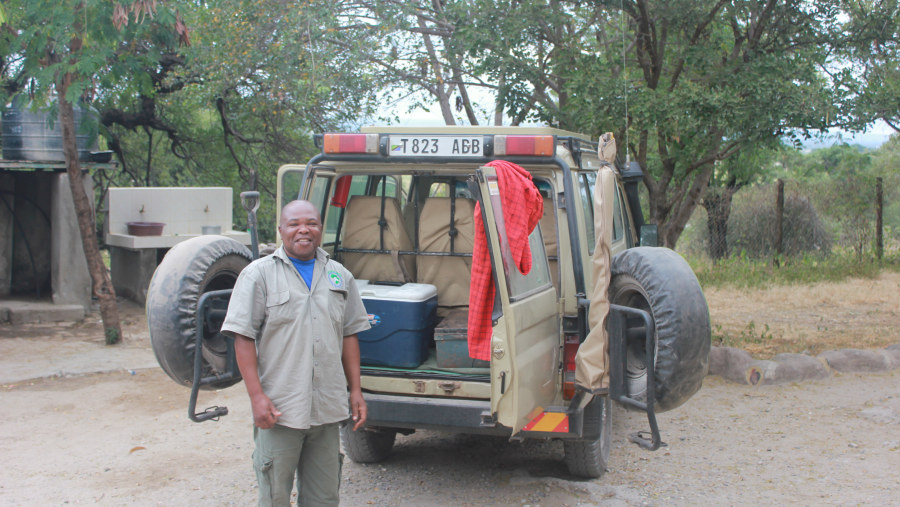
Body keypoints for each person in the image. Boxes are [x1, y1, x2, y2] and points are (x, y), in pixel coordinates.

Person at [220, 200, 370, 506]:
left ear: (320, 228)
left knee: (324, 497)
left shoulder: (340, 276)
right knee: (274, 495)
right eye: (294, 224)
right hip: (281, 409)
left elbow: (349, 334)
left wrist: (355, 390)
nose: (304, 230)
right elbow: (243, 338)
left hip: (327, 409)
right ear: (281, 231)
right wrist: (256, 396)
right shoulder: (258, 275)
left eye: (312, 223)